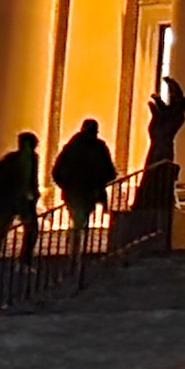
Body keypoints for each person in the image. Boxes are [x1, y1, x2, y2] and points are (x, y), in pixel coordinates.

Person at [49, 114, 119, 278]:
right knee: (82, 222)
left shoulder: (72, 147)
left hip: (75, 192)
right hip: (87, 192)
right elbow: (109, 171)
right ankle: (77, 254)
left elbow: (57, 170)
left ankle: (74, 253)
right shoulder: (97, 147)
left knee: (78, 222)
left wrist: (66, 186)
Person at [0, 129, 45, 260]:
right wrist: (32, 194)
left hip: (9, 201)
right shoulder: (28, 158)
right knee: (29, 228)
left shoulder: (12, 159)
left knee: (1, 229)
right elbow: (29, 180)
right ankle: (24, 256)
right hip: (19, 200)